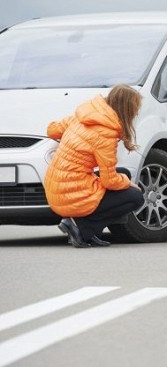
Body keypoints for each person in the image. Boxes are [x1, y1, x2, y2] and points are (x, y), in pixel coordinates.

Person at [44, 84, 145, 248]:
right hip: (70, 193)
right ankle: (82, 228)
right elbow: (109, 181)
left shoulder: (85, 115)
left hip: (56, 185)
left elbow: (51, 130)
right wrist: (128, 183)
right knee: (135, 197)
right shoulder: (106, 133)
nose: (136, 113)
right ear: (126, 109)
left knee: (123, 172)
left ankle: (85, 229)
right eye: (135, 109)